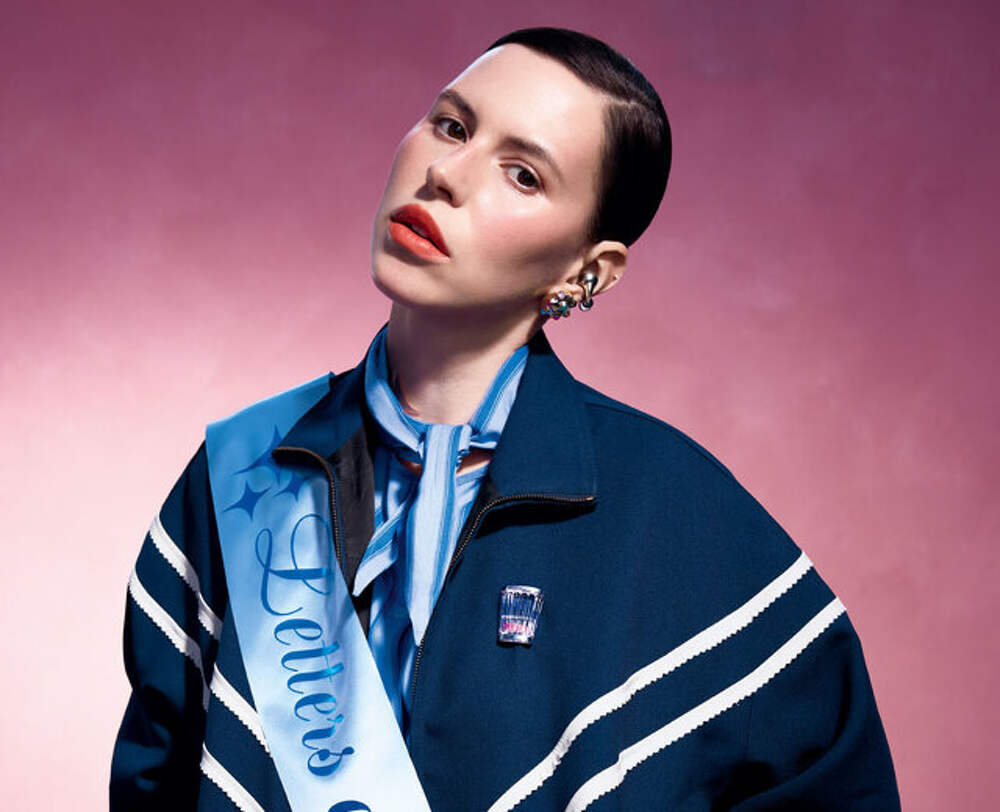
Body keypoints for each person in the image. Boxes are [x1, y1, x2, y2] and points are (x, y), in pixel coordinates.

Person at [110, 26, 902, 812]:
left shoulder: (680, 516)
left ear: (588, 271)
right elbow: (156, 781)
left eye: (522, 174)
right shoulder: (244, 473)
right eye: (452, 125)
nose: (446, 173)